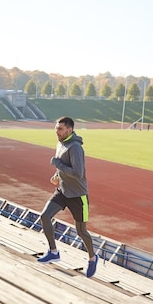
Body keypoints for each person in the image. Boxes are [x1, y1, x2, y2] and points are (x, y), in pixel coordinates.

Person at [36, 117, 98, 277]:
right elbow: (64, 164)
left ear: (69, 130)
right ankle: (53, 252)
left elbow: (78, 173)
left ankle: (92, 257)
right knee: (44, 216)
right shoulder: (61, 144)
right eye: (56, 128)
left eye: (60, 129)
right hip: (63, 191)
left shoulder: (76, 148)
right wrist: (57, 174)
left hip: (78, 195)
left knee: (81, 232)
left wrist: (58, 165)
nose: (56, 132)